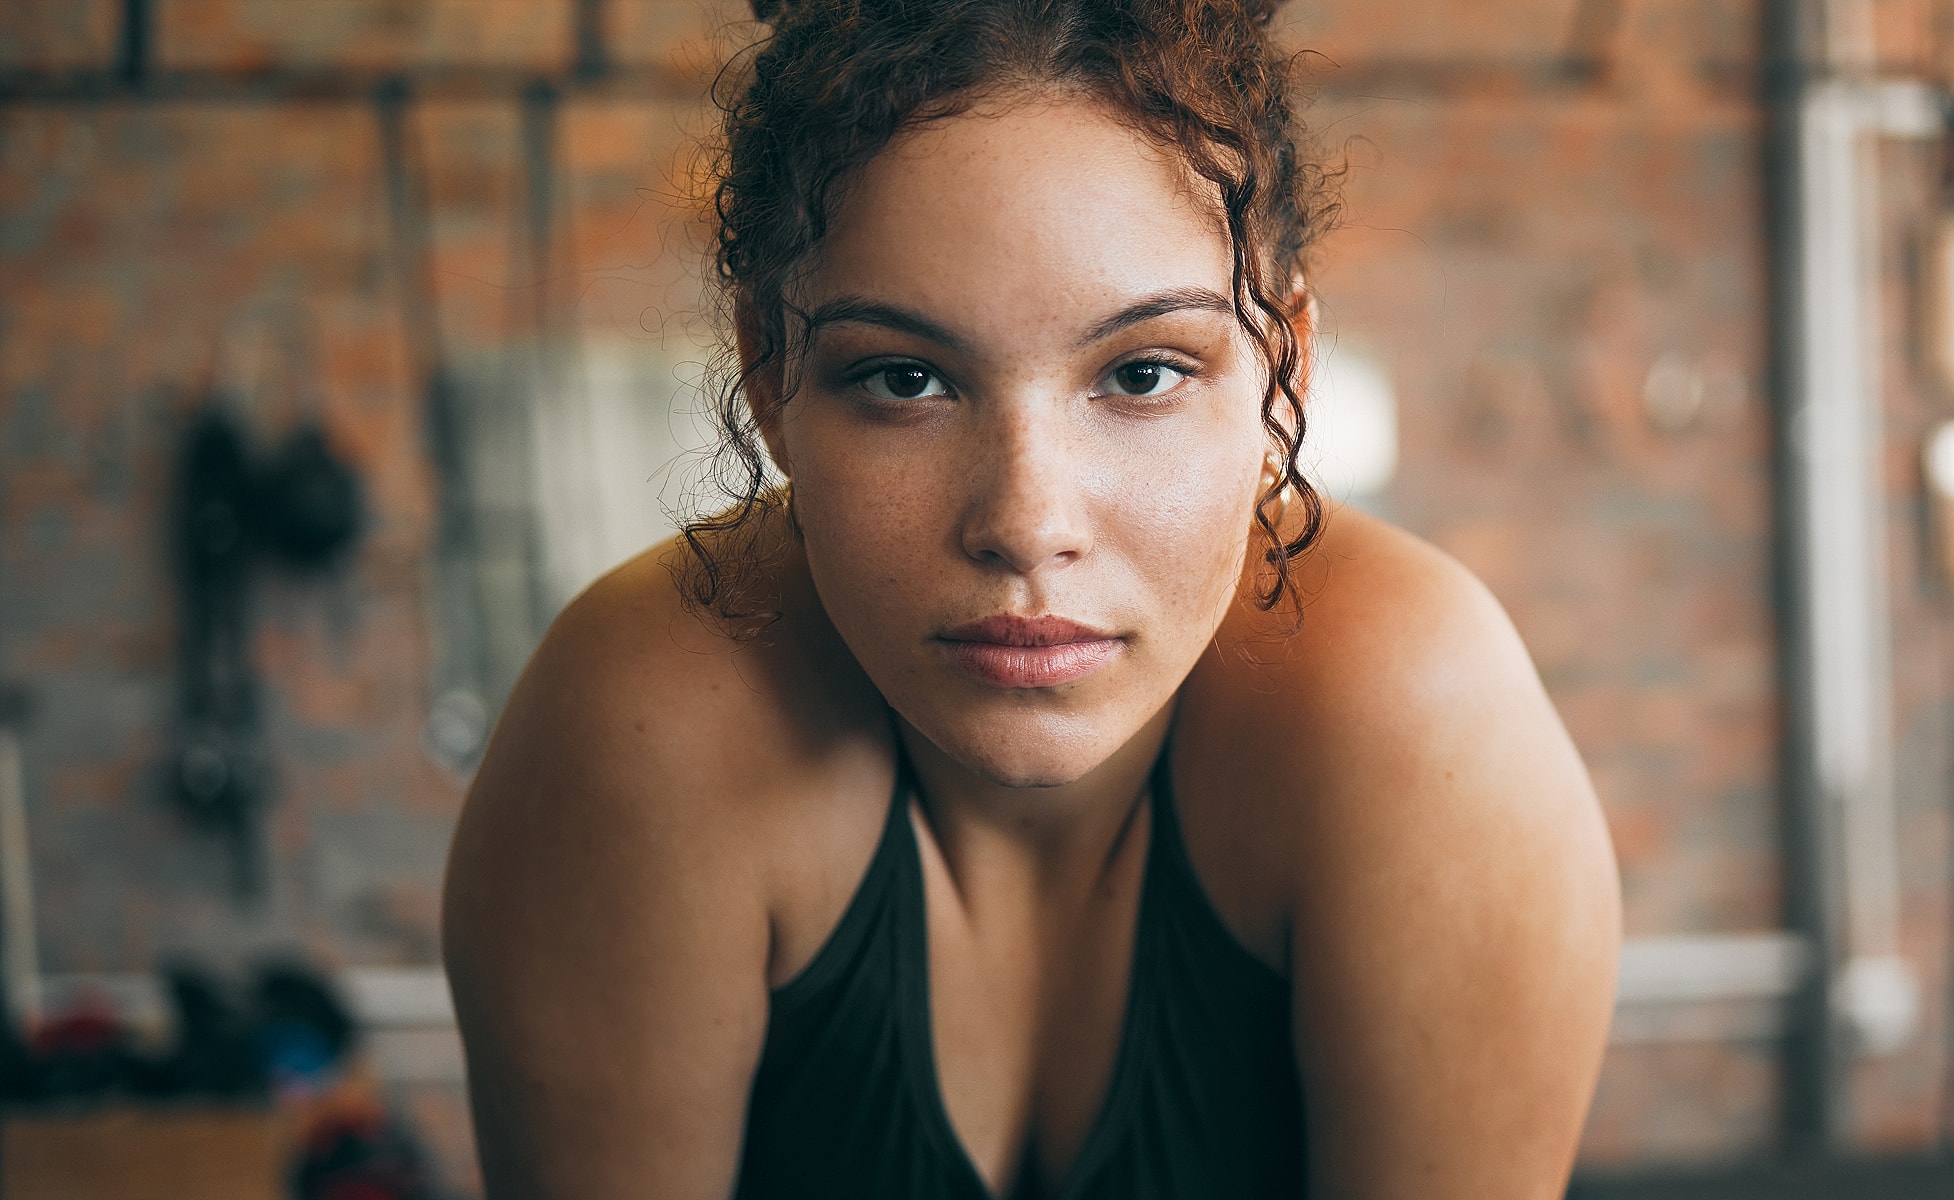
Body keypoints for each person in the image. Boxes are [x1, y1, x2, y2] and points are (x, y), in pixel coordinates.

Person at [441, 0, 1620, 1195]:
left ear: (1284, 372)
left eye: (1142, 373)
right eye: (905, 379)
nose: (1025, 522)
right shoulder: (644, 726)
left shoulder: (1416, 718)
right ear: (768, 370)